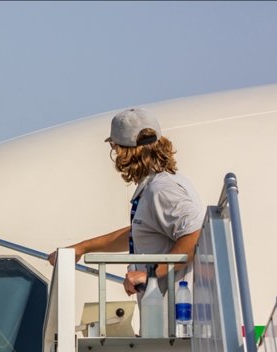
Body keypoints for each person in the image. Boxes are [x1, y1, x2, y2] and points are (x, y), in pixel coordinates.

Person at [48, 107, 205, 298]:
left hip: (172, 315)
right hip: (162, 312)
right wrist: (83, 247)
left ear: (122, 152)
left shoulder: (161, 190)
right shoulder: (161, 184)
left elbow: (195, 235)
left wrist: (150, 274)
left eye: (114, 147)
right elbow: (140, 232)